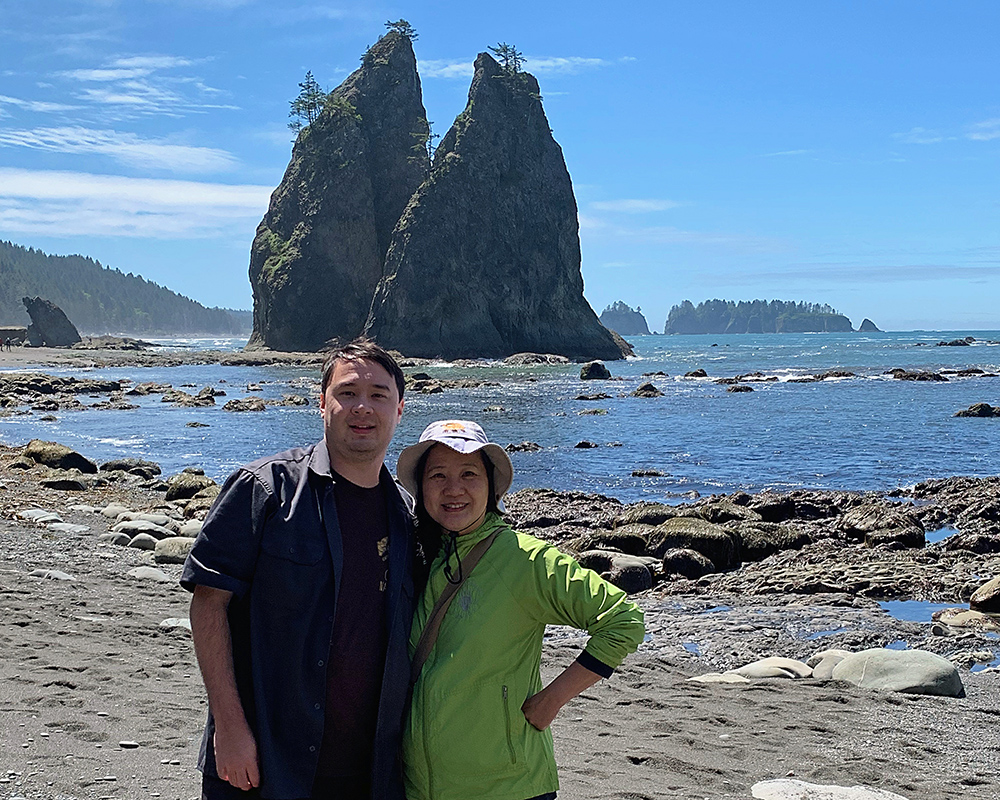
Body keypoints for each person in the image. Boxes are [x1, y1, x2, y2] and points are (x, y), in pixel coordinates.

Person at [181, 339, 415, 800]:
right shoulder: (264, 489)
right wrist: (229, 727)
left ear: (400, 409)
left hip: (369, 769)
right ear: (322, 403)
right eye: (347, 393)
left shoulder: (407, 515)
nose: (362, 407)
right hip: (267, 759)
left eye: (379, 395)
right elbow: (208, 606)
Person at [396, 420, 645, 800]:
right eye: (437, 475)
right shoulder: (419, 558)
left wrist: (552, 699)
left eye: (468, 473)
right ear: (421, 486)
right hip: (420, 788)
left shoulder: (524, 558)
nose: (453, 489)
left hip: (509, 787)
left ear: (492, 485)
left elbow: (623, 620)